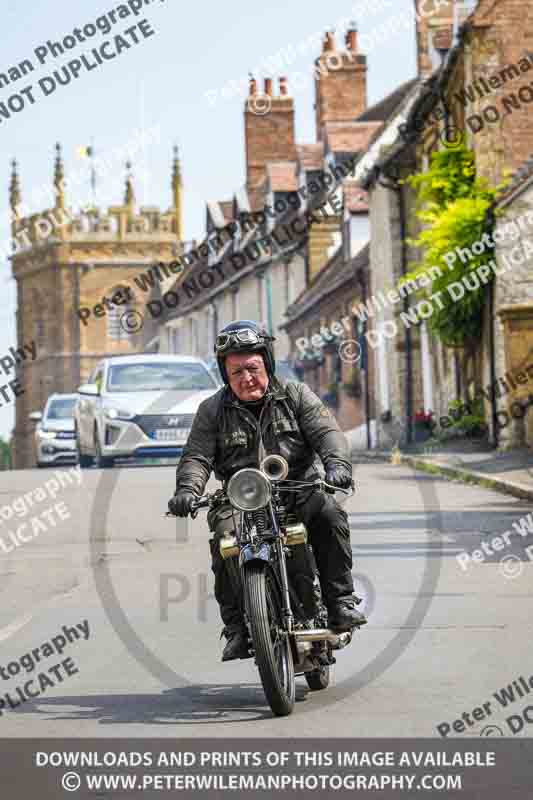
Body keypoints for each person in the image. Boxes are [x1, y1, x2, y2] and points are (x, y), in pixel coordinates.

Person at [168, 320, 367, 661]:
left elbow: (328, 433)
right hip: (239, 498)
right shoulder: (212, 411)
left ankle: (340, 602)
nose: (246, 378)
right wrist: (187, 489)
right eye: (236, 372)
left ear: (267, 364)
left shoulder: (295, 395)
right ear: (225, 376)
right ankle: (237, 629)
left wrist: (337, 466)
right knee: (224, 540)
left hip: (298, 488)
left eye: (252, 368)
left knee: (329, 513)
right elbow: (197, 457)